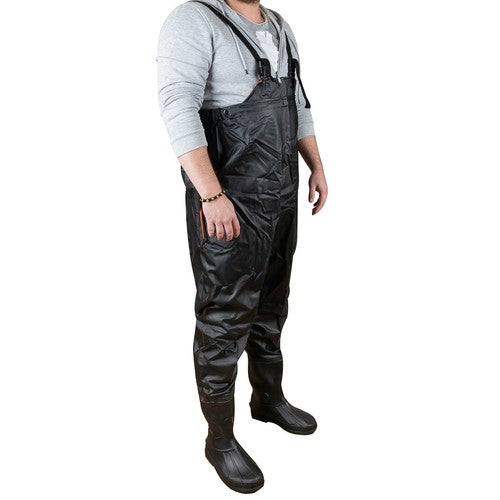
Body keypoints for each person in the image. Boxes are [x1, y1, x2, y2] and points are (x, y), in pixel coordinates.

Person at [156, 0, 328, 493]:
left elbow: (298, 104)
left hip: (282, 193)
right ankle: (220, 440)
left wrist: (316, 166)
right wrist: (212, 196)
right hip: (229, 199)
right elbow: (177, 107)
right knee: (225, 316)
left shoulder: (279, 25)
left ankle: (267, 399)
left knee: (271, 302)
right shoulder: (194, 21)